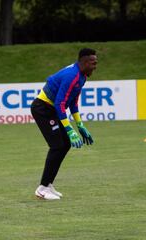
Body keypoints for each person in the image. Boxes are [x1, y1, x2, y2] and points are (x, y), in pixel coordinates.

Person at [31, 48, 97, 200]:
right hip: (43, 108)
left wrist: (80, 125)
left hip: (51, 109)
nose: (95, 66)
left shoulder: (82, 77)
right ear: (85, 62)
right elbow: (60, 104)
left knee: (65, 144)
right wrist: (70, 129)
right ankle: (41, 189)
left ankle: (48, 184)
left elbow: (73, 102)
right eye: (93, 63)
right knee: (57, 146)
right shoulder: (72, 76)